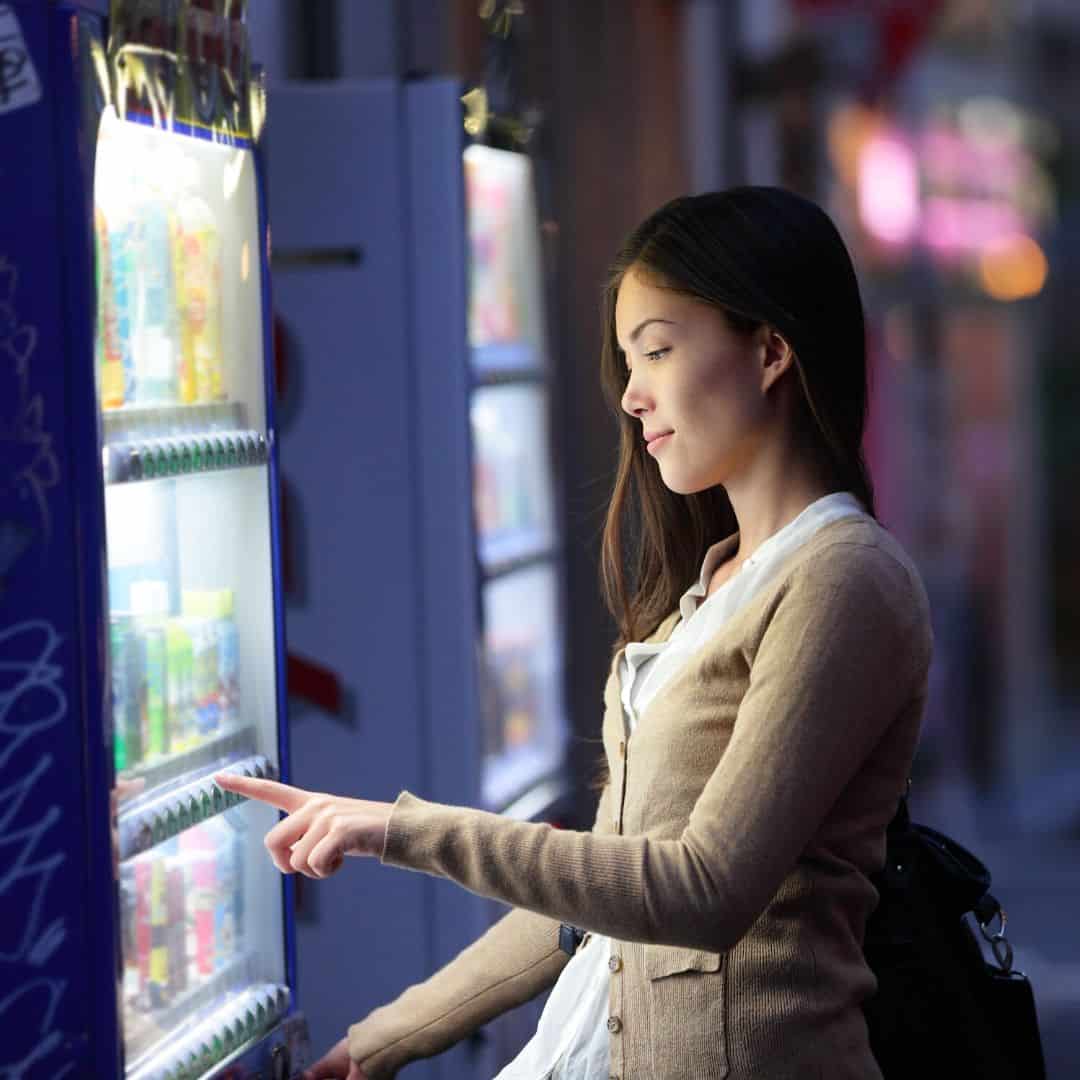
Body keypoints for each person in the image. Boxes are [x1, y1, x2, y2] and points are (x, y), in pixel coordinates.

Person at [217, 186, 933, 1080]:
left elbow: (702, 892)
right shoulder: (710, 586)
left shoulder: (843, 578)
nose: (632, 396)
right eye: (629, 362)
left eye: (659, 351)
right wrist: (387, 1039)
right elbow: (592, 906)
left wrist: (400, 830)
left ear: (770, 350)